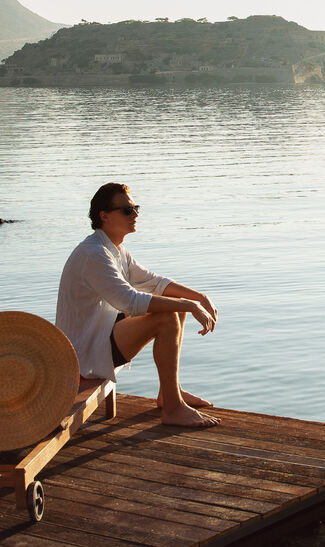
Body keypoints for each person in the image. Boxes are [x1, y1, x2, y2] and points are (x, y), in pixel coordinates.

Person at [56, 182, 222, 428]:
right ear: (104, 216)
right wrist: (189, 305)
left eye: (136, 208)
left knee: (173, 305)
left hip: (100, 335)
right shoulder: (94, 254)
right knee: (167, 316)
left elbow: (152, 282)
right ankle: (173, 409)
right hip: (84, 354)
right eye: (127, 210)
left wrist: (198, 297)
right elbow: (130, 301)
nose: (135, 214)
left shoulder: (114, 249)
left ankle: (170, 392)